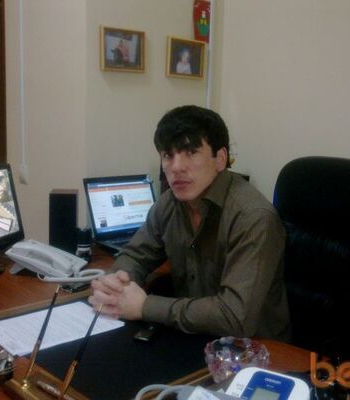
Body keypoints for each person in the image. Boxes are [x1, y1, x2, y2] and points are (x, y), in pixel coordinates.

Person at [89, 105, 290, 340]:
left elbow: (235, 317)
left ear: (220, 159)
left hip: (257, 350)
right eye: (168, 155)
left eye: (191, 152)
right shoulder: (170, 203)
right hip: (194, 336)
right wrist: (117, 283)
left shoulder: (253, 217)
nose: (176, 167)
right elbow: (135, 255)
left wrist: (144, 306)